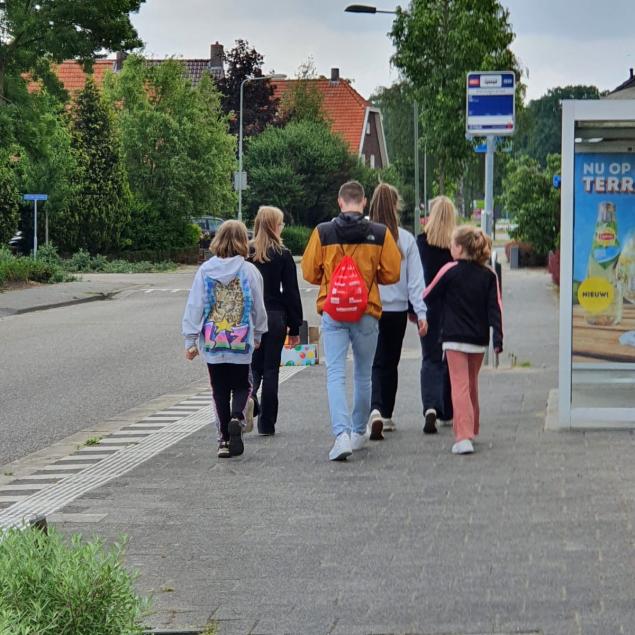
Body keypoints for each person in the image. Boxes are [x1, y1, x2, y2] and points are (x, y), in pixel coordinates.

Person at [302, 180, 402, 461]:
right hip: (366, 310)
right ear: (364, 202)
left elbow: (309, 271)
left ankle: (341, 435)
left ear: (340, 201)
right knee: (363, 373)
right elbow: (392, 272)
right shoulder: (379, 233)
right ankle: (358, 431)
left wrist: (330, 278)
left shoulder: (323, 232)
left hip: (334, 311)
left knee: (335, 373)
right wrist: (370, 277)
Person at [182, 220, 268, 459]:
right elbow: (258, 307)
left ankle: (224, 440)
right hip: (240, 340)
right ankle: (237, 418)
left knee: (219, 390)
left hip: (213, 340)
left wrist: (190, 340)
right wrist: (258, 334)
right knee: (243, 385)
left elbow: (195, 305)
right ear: (243, 242)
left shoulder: (205, 270)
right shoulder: (249, 271)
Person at [423, 226, 503, 455]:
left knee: (459, 386)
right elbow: (495, 308)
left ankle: (463, 436)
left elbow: (428, 295)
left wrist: (422, 313)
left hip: (454, 338)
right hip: (478, 340)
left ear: (459, 248)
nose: (450, 248)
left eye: (452, 244)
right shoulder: (489, 275)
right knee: (471, 384)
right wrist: (498, 338)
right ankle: (472, 427)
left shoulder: (450, 270)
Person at [367, 183, 428, 440]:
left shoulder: (365, 236)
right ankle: (386, 414)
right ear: (396, 206)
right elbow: (416, 282)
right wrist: (421, 313)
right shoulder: (405, 239)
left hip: (370, 307)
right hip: (397, 310)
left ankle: (374, 409)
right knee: (390, 362)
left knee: (373, 361)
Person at [248, 206, 303, 435]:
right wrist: (295, 326)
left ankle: (249, 398)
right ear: (273, 226)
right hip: (275, 317)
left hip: (251, 318)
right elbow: (291, 292)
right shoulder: (283, 254)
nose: (282, 228)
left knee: (253, 367)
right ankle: (267, 424)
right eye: (280, 224)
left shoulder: (247, 252)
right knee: (271, 369)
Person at [416, 196, 456, 435]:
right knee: (451, 358)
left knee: (430, 358)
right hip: (453, 309)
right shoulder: (456, 245)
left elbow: (416, 277)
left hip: (428, 307)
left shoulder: (422, 242)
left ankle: (430, 406)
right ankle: (447, 411)